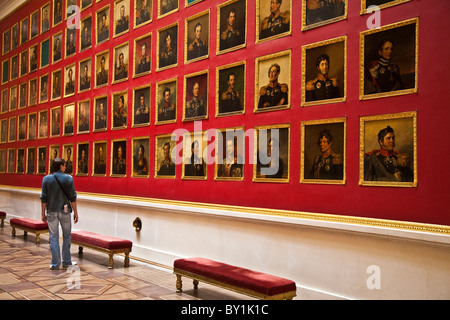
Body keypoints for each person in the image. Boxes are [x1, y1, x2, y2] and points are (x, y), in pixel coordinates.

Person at [40, 157, 79, 270]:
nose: (65, 167)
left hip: (51, 211)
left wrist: (43, 213)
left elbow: (44, 198)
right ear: (61, 166)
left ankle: (55, 263)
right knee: (67, 235)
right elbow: (73, 197)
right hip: (65, 211)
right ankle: (66, 261)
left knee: (53, 237)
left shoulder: (46, 179)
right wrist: (76, 212)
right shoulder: (68, 178)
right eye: (64, 165)